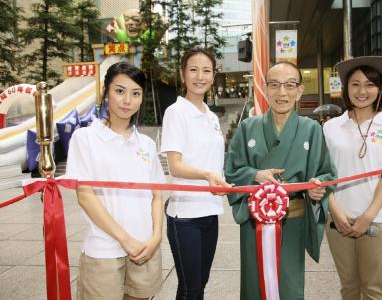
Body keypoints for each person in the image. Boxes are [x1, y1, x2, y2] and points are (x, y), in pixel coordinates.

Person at [225, 61, 336, 299]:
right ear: (265, 89)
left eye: (289, 85)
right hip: (254, 220)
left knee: (289, 286)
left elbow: (326, 173)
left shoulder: (311, 129)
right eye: (274, 85)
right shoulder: (247, 127)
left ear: (299, 90)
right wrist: (254, 174)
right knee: (254, 284)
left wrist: (318, 190)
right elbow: (231, 171)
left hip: (293, 221)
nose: (282, 92)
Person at [66, 62, 166, 300]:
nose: (127, 100)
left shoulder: (147, 145)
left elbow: (157, 195)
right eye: (119, 91)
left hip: (145, 249)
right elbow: (85, 196)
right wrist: (124, 239)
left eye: (135, 93)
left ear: (142, 98)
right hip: (103, 250)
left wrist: (156, 237)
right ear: (106, 93)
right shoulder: (85, 138)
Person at [323, 56, 382, 300]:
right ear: (346, 88)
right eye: (355, 84)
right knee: (348, 287)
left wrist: (367, 217)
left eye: (370, 84)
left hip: (376, 218)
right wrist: (336, 213)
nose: (362, 91)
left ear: (380, 88)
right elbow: (323, 174)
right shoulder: (331, 127)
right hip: (338, 219)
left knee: (372, 290)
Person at [160, 47, 231, 299]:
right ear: (183, 75)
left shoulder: (210, 116)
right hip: (185, 216)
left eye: (206, 71)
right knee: (192, 289)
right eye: (193, 70)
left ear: (213, 76)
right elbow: (175, 165)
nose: (199, 76)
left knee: (199, 283)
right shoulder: (176, 112)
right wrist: (206, 176)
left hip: (210, 212)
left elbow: (216, 161)